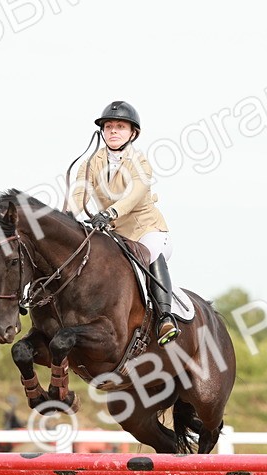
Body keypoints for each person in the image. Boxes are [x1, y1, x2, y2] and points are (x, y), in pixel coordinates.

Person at [67, 100, 179, 346]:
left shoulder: (140, 162)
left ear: (132, 133)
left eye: (120, 127)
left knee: (149, 254)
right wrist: (65, 219)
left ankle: (165, 318)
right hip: (116, 236)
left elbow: (134, 195)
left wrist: (109, 213)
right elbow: (78, 195)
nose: (113, 131)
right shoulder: (89, 164)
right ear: (102, 131)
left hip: (147, 231)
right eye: (108, 127)